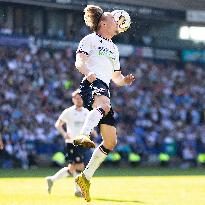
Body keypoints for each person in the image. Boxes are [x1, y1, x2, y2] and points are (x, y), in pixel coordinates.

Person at [73, 5, 135, 202]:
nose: (116, 21)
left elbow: (115, 77)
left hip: (105, 88)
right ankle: (83, 134)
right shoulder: (90, 39)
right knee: (105, 106)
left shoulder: (114, 49)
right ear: (103, 23)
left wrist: (124, 81)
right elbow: (79, 61)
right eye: (112, 18)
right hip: (92, 83)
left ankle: (85, 178)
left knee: (110, 142)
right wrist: (86, 72)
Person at [46, 90, 94, 197]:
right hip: (71, 143)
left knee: (72, 168)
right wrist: (64, 134)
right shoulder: (68, 112)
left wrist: (92, 132)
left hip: (82, 143)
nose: (78, 100)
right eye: (76, 98)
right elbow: (58, 124)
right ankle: (77, 190)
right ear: (73, 100)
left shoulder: (86, 112)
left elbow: (89, 125)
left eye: (80, 98)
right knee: (80, 166)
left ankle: (52, 179)